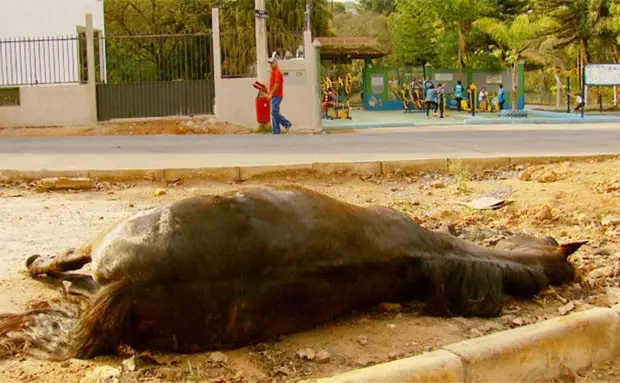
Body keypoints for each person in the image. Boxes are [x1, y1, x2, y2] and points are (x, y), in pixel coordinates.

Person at [267, 57, 292, 134]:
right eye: (270, 63)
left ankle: (287, 123)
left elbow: (277, 84)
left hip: (277, 95)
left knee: (274, 112)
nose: (271, 65)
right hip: (275, 95)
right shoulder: (274, 72)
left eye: (272, 63)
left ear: (276, 63)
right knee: (275, 112)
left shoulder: (277, 72)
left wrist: (271, 94)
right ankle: (276, 130)